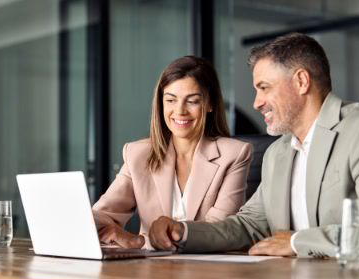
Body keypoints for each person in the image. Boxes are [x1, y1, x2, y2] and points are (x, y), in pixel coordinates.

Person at [149, 32, 359, 258]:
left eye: (264, 88)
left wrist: (297, 242)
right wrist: (182, 231)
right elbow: (248, 225)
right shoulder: (278, 153)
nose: (256, 102)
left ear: (301, 81)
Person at [93, 56, 253, 249]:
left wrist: (140, 241)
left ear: (210, 104)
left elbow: (219, 231)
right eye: (170, 100)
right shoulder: (138, 153)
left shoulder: (234, 154)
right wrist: (83, 219)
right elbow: (105, 213)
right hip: (152, 271)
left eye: (192, 101)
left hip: (209, 269)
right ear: (161, 104)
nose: (180, 110)